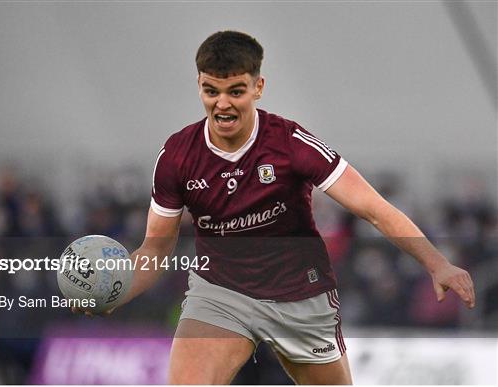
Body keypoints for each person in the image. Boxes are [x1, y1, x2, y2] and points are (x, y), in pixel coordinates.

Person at [76, 31, 476, 384]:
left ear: (258, 87)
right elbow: (156, 250)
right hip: (221, 293)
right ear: (198, 86)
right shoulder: (177, 156)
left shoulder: (291, 144)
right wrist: (120, 288)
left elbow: (373, 208)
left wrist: (436, 263)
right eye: (210, 91)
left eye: (236, 91)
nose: (222, 104)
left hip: (299, 294)